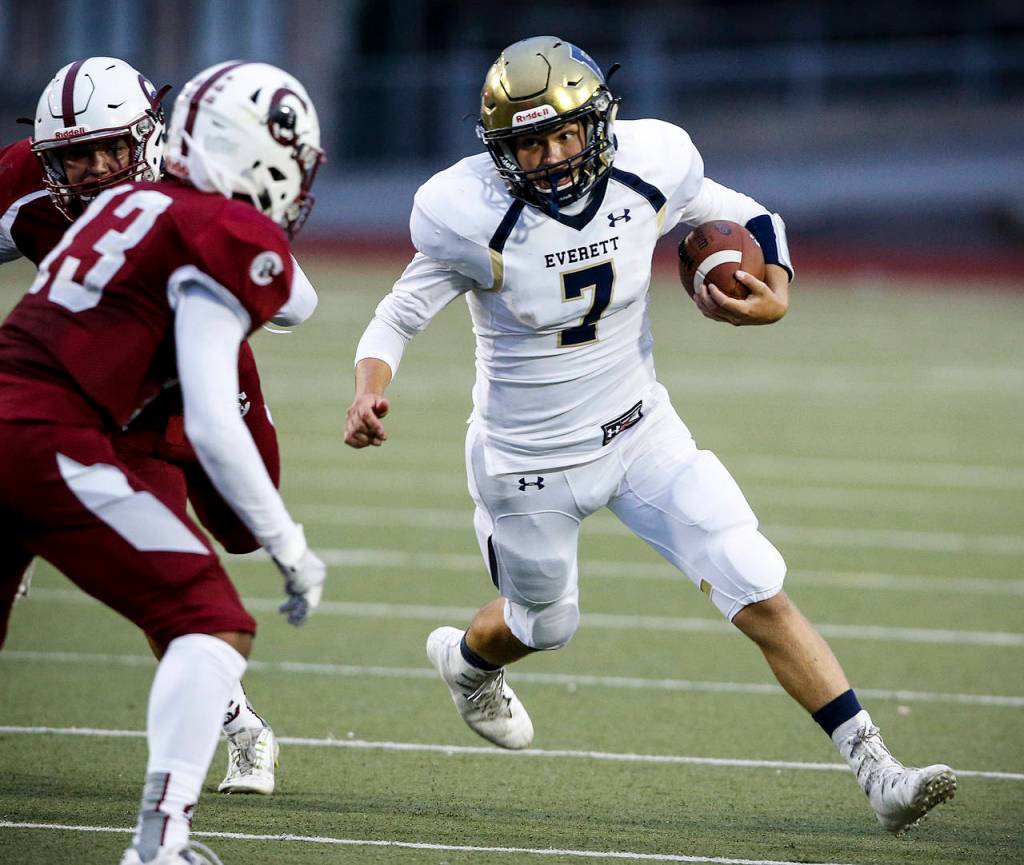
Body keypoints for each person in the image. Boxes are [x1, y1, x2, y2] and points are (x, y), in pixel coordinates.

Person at [345, 36, 956, 836]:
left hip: (641, 431)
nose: (553, 157)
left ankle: (879, 770)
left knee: (751, 575)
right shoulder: (468, 214)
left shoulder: (650, 165)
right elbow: (395, 316)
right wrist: (369, 390)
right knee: (544, 624)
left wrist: (775, 293)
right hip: (528, 460)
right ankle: (467, 662)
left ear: (598, 123)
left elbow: (753, 216)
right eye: (531, 144)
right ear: (500, 150)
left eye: (567, 134)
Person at [0, 59, 327, 865]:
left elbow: (295, 304)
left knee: (213, 546)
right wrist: (291, 544)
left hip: (64, 403)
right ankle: (160, 844)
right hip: (57, 431)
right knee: (209, 615)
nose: (95, 170)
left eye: (111, 148)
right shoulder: (213, 226)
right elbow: (217, 415)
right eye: (76, 156)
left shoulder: (142, 205)